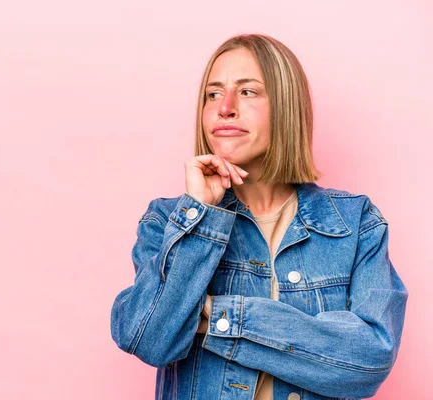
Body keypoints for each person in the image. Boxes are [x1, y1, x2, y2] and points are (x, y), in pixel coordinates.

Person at [109, 33, 408, 400]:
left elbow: (368, 361)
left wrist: (216, 316)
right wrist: (200, 214)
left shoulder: (355, 222)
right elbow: (151, 339)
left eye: (247, 92)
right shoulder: (168, 219)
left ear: (285, 107)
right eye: (213, 94)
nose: (225, 107)